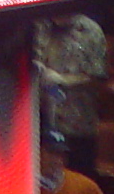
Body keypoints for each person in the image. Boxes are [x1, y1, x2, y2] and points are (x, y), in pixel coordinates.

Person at [34, 13, 109, 173]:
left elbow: (98, 78)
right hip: (40, 123)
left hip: (78, 124)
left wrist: (63, 80)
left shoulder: (91, 31)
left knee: (80, 177)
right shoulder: (37, 27)